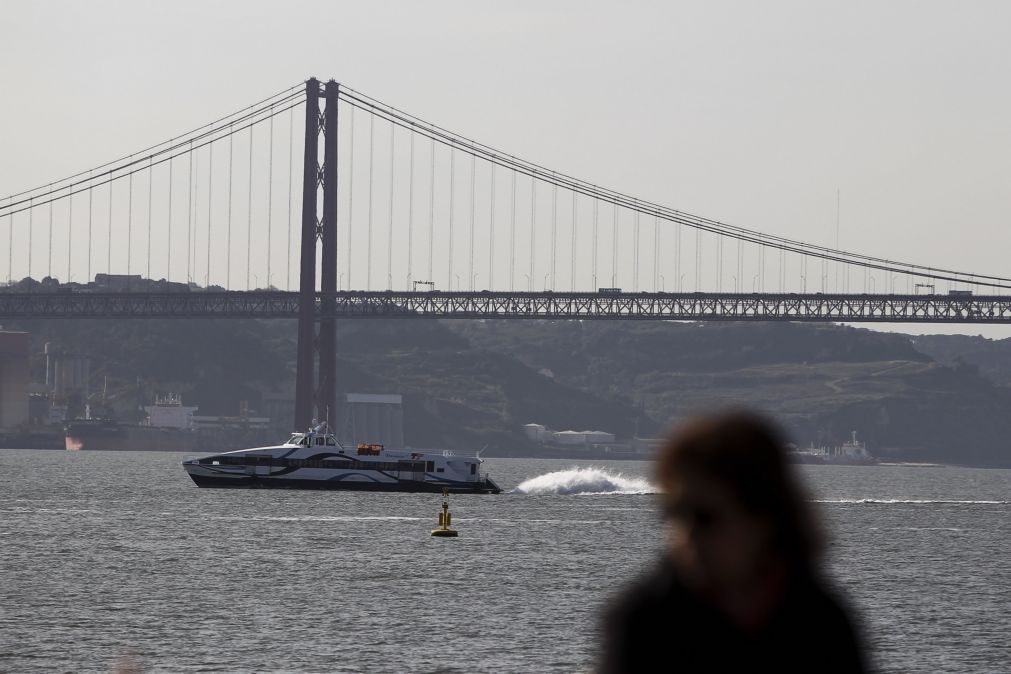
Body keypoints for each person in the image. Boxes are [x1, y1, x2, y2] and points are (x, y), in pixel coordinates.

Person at [598, 410, 870, 673]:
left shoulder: (822, 624)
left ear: (763, 516)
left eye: (705, 518)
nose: (686, 535)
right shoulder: (644, 621)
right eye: (674, 515)